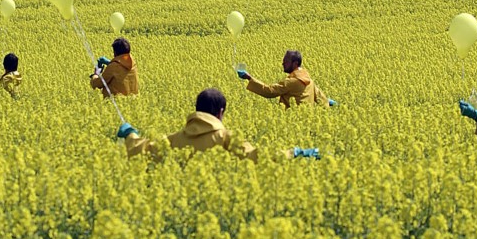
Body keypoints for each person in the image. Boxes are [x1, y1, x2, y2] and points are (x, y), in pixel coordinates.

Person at [117, 87, 320, 162]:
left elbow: (141, 149)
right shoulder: (225, 138)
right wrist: (295, 152)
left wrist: (130, 134)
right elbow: (258, 156)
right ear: (220, 113)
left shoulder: (175, 138)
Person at [237, 50, 334, 108]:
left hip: (293, 123)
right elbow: (320, 96)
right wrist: (328, 102)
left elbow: (269, 91)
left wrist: (249, 78)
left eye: (286, 61)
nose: (283, 64)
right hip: (307, 121)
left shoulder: (292, 82)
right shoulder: (308, 80)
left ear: (295, 63)